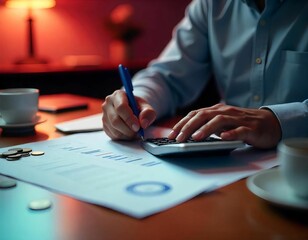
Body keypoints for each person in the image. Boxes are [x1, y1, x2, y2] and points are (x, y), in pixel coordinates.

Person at [102, 0, 308, 149]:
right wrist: (136, 102)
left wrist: (278, 122)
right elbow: (167, 76)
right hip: (230, 161)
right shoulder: (210, 5)